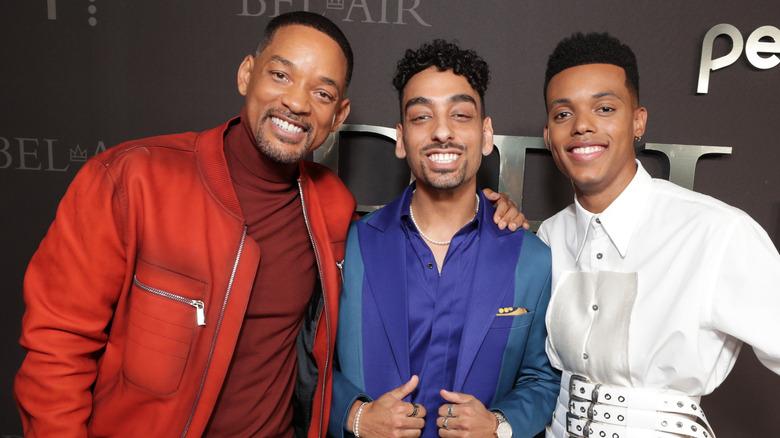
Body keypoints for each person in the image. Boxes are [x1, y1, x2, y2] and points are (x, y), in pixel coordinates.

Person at [13, 12, 524, 438]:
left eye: (323, 93)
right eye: (281, 75)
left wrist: (494, 212)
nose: (298, 103)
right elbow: (56, 352)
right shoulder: (132, 178)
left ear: (340, 113)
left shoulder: (331, 205)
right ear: (246, 74)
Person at [537, 32, 780, 438]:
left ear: (637, 121)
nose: (582, 125)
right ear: (549, 135)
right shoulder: (547, 237)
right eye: (563, 114)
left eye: (604, 107)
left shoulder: (713, 231)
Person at [329, 40, 559, 438]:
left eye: (460, 114)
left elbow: (542, 380)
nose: (441, 131)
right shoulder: (348, 246)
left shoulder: (532, 258)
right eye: (421, 117)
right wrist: (356, 416)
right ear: (401, 139)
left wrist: (499, 425)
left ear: (486, 135)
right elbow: (303, 361)